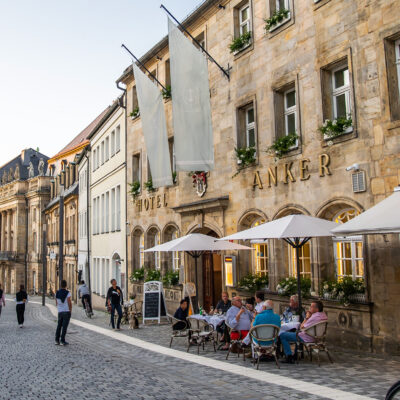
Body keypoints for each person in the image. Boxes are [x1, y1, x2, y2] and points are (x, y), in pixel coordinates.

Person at [55, 280, 72, 346]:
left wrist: (59, 307)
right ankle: (62, 340)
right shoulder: (68, 293)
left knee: (59, 326)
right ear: (66, 285)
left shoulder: (57, 293)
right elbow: (69, 302)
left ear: (60, 285)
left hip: (60, 311)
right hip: (66, 311)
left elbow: (56, 303)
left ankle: (57, 340)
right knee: (64, 327)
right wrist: (70, 310)